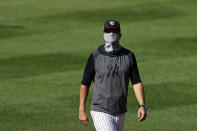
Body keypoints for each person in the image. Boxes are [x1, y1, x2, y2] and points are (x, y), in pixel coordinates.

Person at [79, 20, 147, 131]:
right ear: (104, 33)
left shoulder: (128, 56)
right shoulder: (95, 57)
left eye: (114, 30)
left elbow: (136, 82)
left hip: (120, 112)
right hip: (100, 110)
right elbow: (84, 84)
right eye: (108, 30)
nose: (111, 33)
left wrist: (142, 105)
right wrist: (81, 110)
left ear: (120, 34)